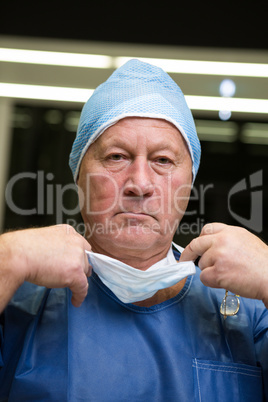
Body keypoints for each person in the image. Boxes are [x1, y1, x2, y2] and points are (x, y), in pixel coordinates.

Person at [0, 59, 267, 402]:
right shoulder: (20, 302)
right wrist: (8, 258)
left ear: (189, 182)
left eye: (163, 161)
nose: (140, 184)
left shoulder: (247, 310)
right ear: (79, 177)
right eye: (116, 157)